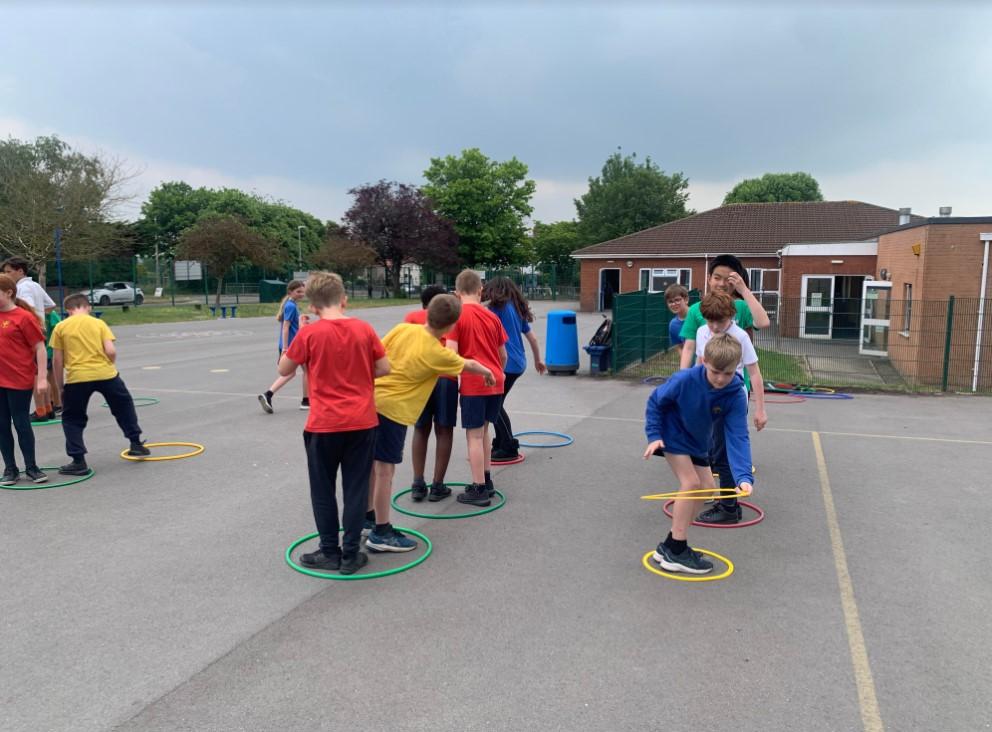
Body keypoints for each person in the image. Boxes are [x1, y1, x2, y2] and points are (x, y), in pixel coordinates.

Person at [366, 293, 496, 552]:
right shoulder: (437, 353)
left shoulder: (403, 329)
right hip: (392, 410)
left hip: (370, 402)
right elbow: (467, 364)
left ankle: (367, 516)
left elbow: (375, 353)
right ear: (452, 325)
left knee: (372, 465)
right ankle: (381, 532)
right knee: (385, 471)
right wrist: (487, 372)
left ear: (427, 313)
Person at [280, 272, 390, 575]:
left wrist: (300, 336)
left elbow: (284, 368)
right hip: (362, 421)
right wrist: (359, 371)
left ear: (313, 306)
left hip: (324, 424)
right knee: (356, 488)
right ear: (344, 299)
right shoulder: (364, 329)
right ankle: (351, 554)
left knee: (323, 490)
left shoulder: (310, 334)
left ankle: (330, 551)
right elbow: (384, 368)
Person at [643, 333, 754, 574]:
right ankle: (677, 549)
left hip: (698, 440)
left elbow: (738, 435)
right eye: (716, 372)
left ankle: (670, 545)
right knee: (691, 483)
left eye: (728, 373)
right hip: (672, 432)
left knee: (707, 488)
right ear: (704, 361)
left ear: (737, 367)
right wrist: (653, 435)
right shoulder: (685, 379)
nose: (721, 379)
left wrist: (744, 476)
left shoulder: (735, 393)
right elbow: (655, 402)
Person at [50, 294, 150, 476]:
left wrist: (60, 386)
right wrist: (108, 365)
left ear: (68, 310)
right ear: (88, 307)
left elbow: (57, 360)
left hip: (78, 377)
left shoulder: (61, 327)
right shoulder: (98, 323)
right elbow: (111, 350)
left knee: (72, 418)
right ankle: (136, 443)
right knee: (123, 407)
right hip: (106, 374)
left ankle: (78, 460)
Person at [694, 291, 768, 524]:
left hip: (732, 398)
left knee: (725, 451)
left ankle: (728, 507)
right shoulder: (702, 332)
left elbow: (754, 373)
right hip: (709, 398)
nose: (715, 327)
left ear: (732, 316)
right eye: (711, 321)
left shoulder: (740, 336)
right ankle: (730, 505)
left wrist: (760, 409)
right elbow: (699, 366)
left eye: (721, 321)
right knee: (714, 449)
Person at [446, 269, 507, 507]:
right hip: (496, 383)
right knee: (484, 431)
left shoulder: (457, 317)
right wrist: (497, 372)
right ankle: (487, 480)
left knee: (473, 435)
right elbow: (503, 354)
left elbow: (451, 355)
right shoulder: (492, 317)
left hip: (474, 384)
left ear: (457, 293)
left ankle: (479, 488)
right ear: (481, 290)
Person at [404, 285, 458, 503]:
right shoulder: (450, 318)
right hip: (445, 377)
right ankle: (437, 485)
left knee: (420, 428)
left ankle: (418, 483)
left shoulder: (411, 317)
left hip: (420, 378)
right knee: (444, 431)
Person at [484, 277, 546, 462]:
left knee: (494, 406)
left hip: (505, 364)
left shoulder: (495, 308)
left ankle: (508, 446)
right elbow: (533, 338)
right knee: (497, 404)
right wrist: (538, 360)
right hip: (518, 363)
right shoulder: (516, 308)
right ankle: (501, 442)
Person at [678, 254, 770, 375]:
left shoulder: (741, 306)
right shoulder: (695, 309)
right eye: (717, 278)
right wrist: (682, 377)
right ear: (709, 278)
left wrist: (744, 290)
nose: (722, 284)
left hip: (736, 379)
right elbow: (689, 347)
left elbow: (763, 322)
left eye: (728, 280)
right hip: (706, 380)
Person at [0, 274, 49, 485]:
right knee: (2, 424)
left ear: (8, 293)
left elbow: (40, 348)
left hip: (19, 378)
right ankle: (10, 469)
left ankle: (32, 467)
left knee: (21, 422)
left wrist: (42, 378)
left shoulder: (23, 317)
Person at [258, 280, 309, 413]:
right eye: (298, 291)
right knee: (307, 371)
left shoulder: (291, 304)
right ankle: (306, 401)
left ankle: (268, 395)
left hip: (291, 344)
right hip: (293, 345)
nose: (301, 294)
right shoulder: (291, 306)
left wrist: (302, 322)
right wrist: (285, 349)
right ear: (290, 292)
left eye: (303, 291)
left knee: (290, 373)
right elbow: (286, 327)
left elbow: (292, 326)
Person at [1, 257, 56, 325]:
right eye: (4, 272)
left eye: (8, 272)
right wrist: (39, 316)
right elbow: (51, 306)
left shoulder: (22, 287)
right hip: (37, 327)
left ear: (20, 271)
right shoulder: (36, 285)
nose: (5, 275)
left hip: (25, 328)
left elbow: (29, 307)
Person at [664, 284, 689, 356]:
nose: (674, 304)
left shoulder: (698, 315)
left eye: (677, 300)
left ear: (686, 300)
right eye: (670, 302)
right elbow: (680, 347)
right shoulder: (673, 325)